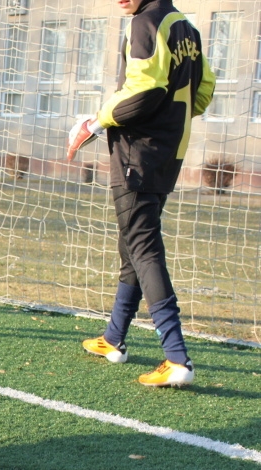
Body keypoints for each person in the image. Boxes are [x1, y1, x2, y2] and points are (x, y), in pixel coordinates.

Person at [67, 0, 215, 387]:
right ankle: (114, 338)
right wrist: (170, 123)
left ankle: (176, 357)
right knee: (132, 245)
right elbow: (204, 90)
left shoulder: (146, 22)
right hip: (168, 152)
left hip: (137, 155)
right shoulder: (186, 27)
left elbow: (145, 90)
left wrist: (95, 122)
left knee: (144, 248)